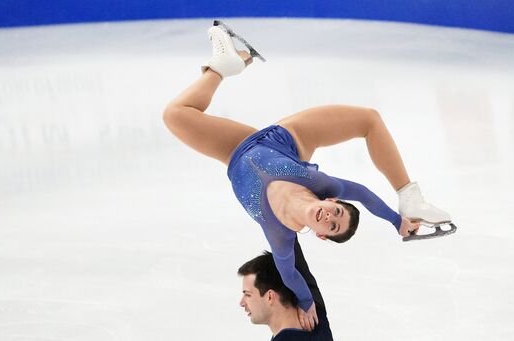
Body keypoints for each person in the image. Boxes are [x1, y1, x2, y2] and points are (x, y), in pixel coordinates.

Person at [162, 22, 452, 328]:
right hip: (285, 140)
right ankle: (411, 197)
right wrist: (398, 221)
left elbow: (289, 273)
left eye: (333, 226)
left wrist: (306, 302)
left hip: (236, 151)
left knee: (174, 114)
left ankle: (224, 65)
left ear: (322, 233)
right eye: (337, 212)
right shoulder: (319, 184)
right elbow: (364, 195)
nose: (330, 217)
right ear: (332, 201)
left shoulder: (280, 234)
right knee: (369, 119)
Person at [238, 238, 333, 339]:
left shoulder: (315, 309)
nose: (242, 303)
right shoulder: (316, 314)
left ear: (270, 296)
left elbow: (287, 236)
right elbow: (289, 240)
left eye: (248, 294)